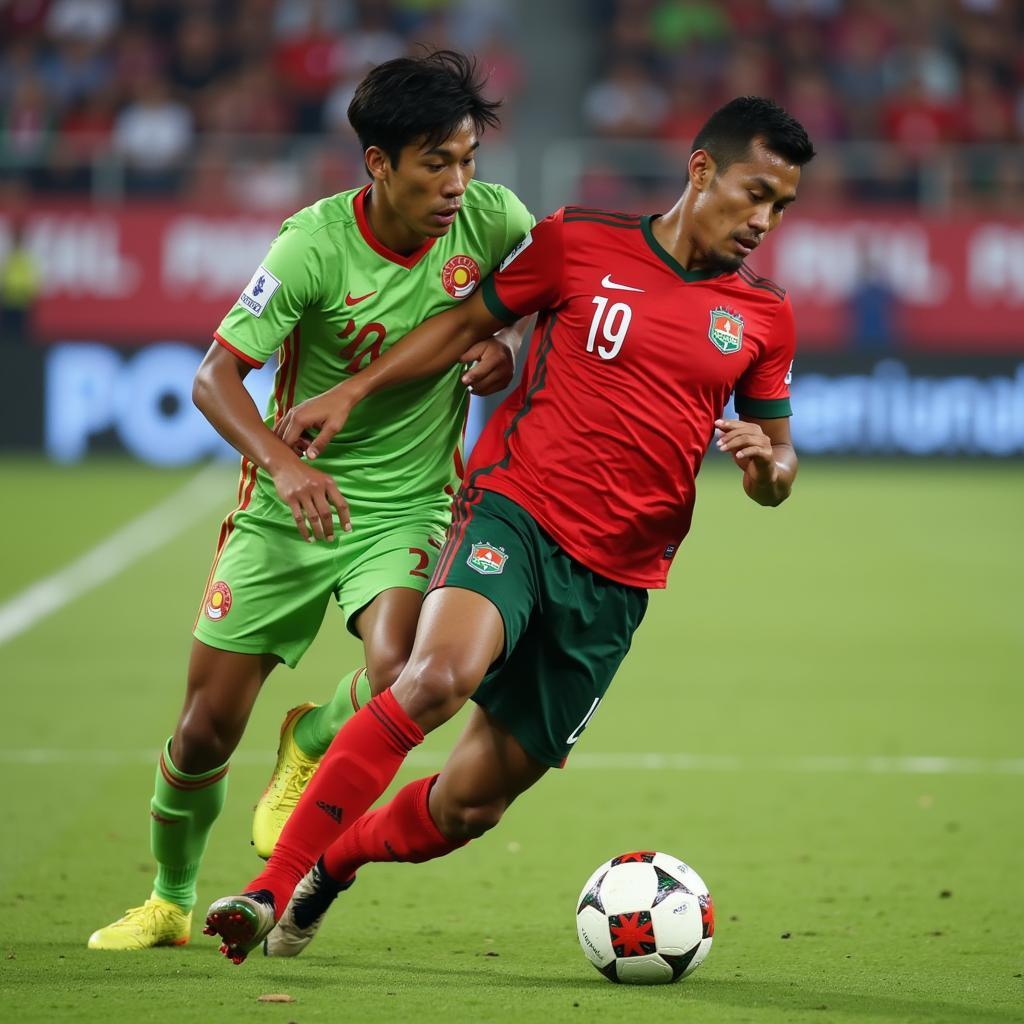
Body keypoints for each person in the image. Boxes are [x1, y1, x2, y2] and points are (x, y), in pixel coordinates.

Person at [203, 95, 815, 964]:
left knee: (467, 807)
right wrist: (351, 390)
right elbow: (464, 323)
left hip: (619, 582)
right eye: (755, 193)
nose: (763, 221)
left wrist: (768, 469)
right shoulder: (577, 241)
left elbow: (783, 463)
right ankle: (267, 890)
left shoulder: (763, 315)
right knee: (435, 676)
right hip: (515, 512)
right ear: (702, 167)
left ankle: (328, 869)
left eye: (781, 207)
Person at [87, 50, 534, 951]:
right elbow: (214, 379)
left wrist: (507, 350)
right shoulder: (310, 245)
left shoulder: (493, 222)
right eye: (435, 163)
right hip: (289, 508)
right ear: (379, 163)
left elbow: (534, 303)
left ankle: (316, 739)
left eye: (467, 160)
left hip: (410, 500)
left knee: (401, 665)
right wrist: (285, 468)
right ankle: (171, 900)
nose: (458, 183)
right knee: (204, 731)